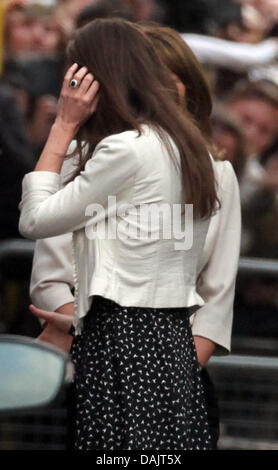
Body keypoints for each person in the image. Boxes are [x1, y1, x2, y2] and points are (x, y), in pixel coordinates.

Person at [19, 18, 241, 450]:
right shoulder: (112, 156)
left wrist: (63, 125)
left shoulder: (175, 161)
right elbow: (52, 274)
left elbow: (34, 220)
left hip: (137, 350)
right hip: (147, 348)